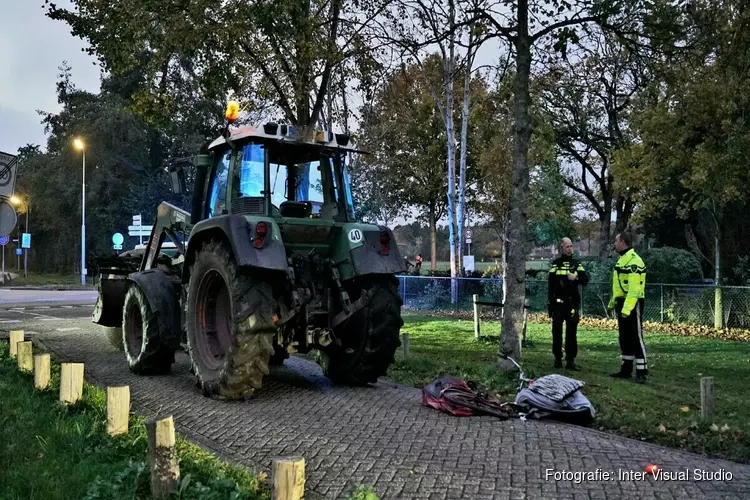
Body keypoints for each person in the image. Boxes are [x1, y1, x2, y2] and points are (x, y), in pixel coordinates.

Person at [607, 231, 648, 383]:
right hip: (622, 302)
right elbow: (618, 286)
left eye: (616, 241)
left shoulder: (634, 261)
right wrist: (613, 302)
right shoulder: (622, 260)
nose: (614, 243)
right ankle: (626, 369)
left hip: (632, 303)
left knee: (636, 337)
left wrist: (626, 309)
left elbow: (634, 289)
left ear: (623, 241)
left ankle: (642, 371)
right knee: (624, 338)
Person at [547, 237, 589, 370]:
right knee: (557, 332)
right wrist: (551, 303)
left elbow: (585, 280)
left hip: (572, 304)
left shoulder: (576, 264)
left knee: (572, 333)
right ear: (562, 248)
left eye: (571, 246)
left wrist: (575, 278)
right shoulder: (556, 264)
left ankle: (570, 360)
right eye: (567, 247)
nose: (570, 249)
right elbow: (550, 285)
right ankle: (557, 359)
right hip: (558, 304)